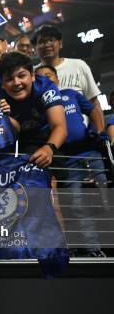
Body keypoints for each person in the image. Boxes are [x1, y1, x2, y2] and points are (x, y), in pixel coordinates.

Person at [35, 65, 107, 257]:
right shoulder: (39, 105)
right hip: (65, 160)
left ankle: (107, 246)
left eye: (49, 76)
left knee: (105, 198)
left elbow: (93, 110)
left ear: (57, 79)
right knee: (74, 206)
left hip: (89, 153)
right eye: (40, 79)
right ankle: (90, 250)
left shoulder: (71, 94)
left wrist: (98, 131)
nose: (46, 81)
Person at [33, 24, 105, 134]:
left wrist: (101, 132)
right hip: (49, 138)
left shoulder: (78, 65)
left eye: (51, 40)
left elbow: (94, 103)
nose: (47, 45)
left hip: (83, 137)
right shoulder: (32, 74)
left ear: (60, 43)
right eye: (42, 42)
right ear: (35, 48)